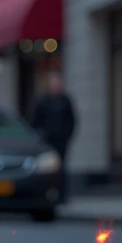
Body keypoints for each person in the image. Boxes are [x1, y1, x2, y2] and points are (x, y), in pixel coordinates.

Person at [29, 71, 76, 202]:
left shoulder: (65, 101)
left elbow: (71, 120)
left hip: (62, 141)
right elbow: (35, 122)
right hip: (48, 142)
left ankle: (63, 196)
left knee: (63, 168)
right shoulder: (42, 102)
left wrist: (67, 135)